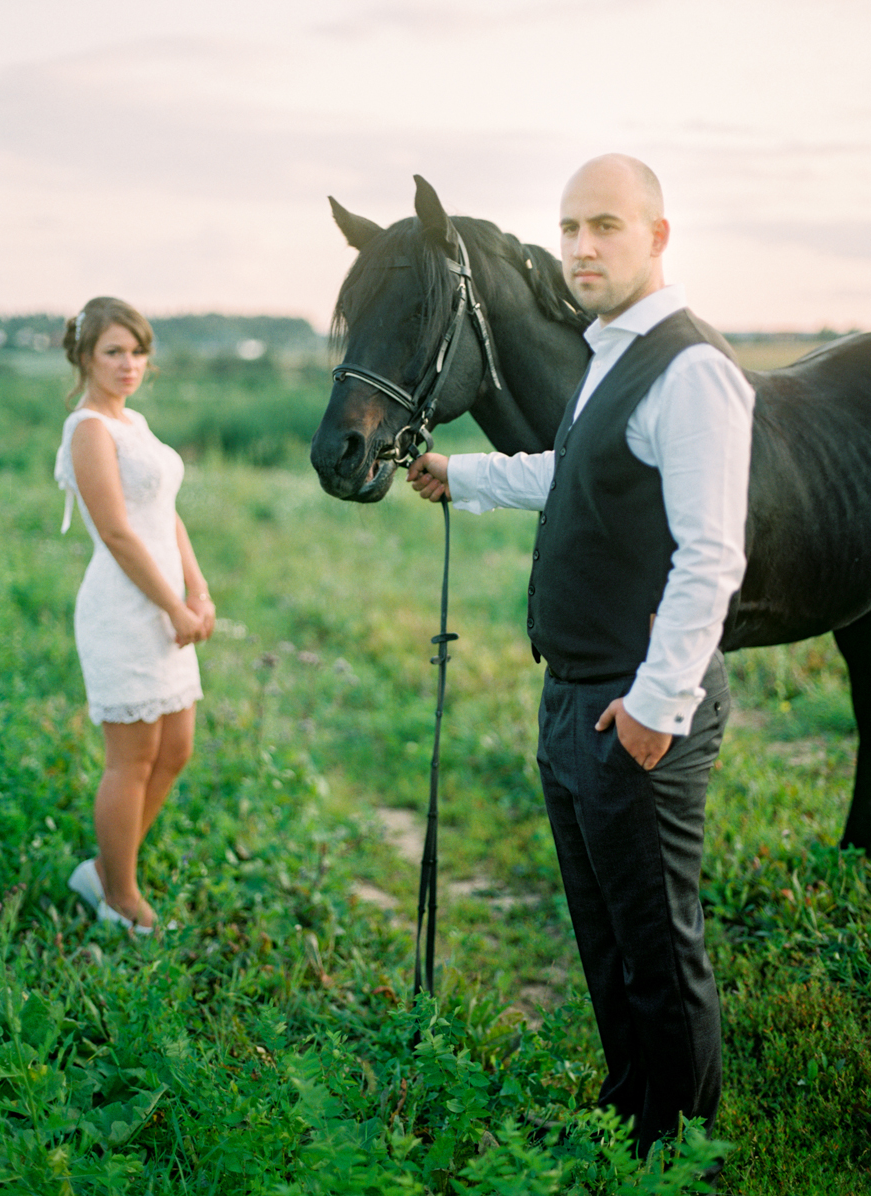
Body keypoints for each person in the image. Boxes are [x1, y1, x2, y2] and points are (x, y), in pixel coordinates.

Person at [407, 155, 754, 1170]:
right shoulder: (611, 353)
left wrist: (656, 705)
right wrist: (459, 474)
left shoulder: (691, 370)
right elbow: (578, 466)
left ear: (657, 235)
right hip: (574, 693)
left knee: (659, 946)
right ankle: (627, 1114)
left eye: (605, 224)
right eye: (567, 228)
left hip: (636, 706)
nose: (581, 247)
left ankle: (677, 1153)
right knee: (603, 938)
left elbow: (712, 553)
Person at [55, 297, 216, 934]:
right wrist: (171, 604)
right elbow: (119, 533)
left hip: (169, 603)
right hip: (125, 609)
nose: (130, 364)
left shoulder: (134, 422)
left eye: (138, 350)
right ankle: (118, 897)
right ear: (86, 358)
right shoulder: (89, 427)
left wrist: (197, 591)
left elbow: (165, 516)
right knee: (133, 758)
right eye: (114, 352)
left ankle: (104, 868)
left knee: (176, 748)